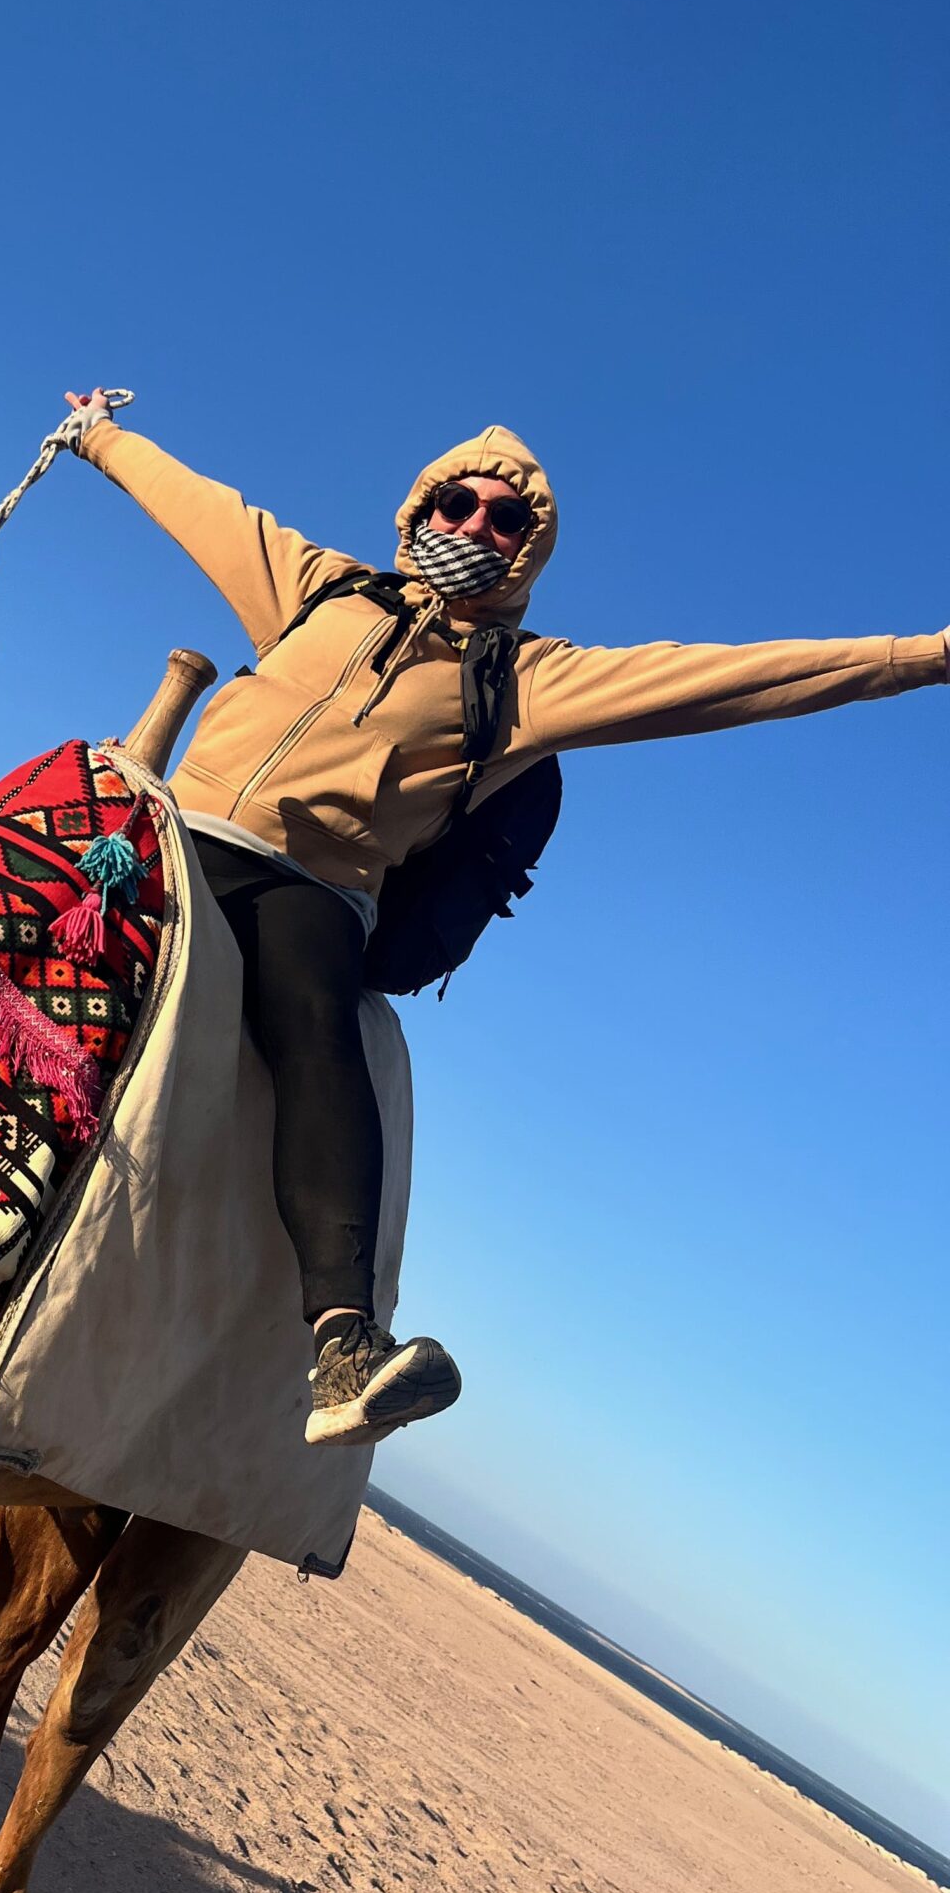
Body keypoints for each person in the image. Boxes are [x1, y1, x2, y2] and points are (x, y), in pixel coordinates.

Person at [62, 391, 949, 1448]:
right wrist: (98, 435)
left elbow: (729, 678)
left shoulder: (529, 680)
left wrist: (929, 654)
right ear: (420, 509)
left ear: (529, 548)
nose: (476, 525)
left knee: (316, 1029)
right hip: (170, 826)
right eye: (458, 503)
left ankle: (343, 1344)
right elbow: (201, 504)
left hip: (313, 885)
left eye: (506, 518)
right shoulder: (319, 585)